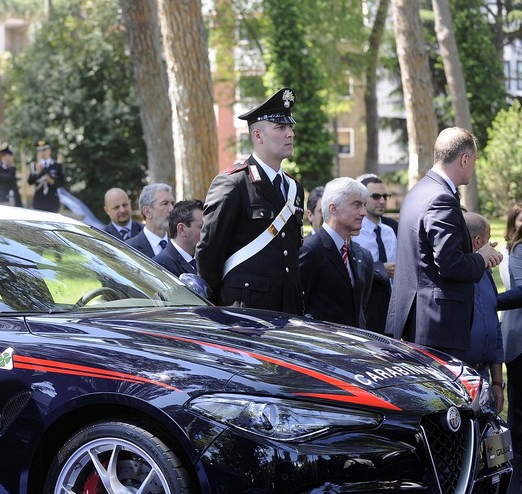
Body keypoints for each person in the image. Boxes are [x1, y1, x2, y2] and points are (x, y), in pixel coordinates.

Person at [385, 127, 502, 360]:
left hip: (418, 320)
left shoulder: (419, 190)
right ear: (464, 159)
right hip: (436, 327)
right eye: (474, 160)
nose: (474, 167)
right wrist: (481, 256)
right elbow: (450, 264)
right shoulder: (441, 198)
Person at [196, 88, 304, 314]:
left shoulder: (294, 188)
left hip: (289, 308)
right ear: (258, 135)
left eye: (290, 127)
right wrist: (219, 304)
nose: (290, 134)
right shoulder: (233, 183)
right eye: (280, 127)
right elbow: (209, 252)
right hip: (246, 310)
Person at [298, 177, 373, 328]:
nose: (364, 212)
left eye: (364, 205)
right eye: (357, 205)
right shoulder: (311, 249)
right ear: (334, 209)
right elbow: (296, 305)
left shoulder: (351, 251)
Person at [496, 202, 522, 494]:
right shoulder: (517, 250)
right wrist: (489, 301)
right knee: (518, 415)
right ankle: (515, 490)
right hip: (518, 336)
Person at [351, 173, 399, 334]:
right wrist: (379, 268)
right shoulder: (354, 231)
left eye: (385, 196)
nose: (383, 201)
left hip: (391, 306)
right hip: (367, 306)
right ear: (363, 200)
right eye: (376, 196)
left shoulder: (390, 231)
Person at [462, 212, 504, 393]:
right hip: (460, 378)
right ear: (478, 241)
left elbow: (493, 325)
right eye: (489, 241)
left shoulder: (486, 273)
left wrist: (497, 382)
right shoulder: (449, 276)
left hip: (484, 376)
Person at [155, 199, 203, 277]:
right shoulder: (161, 266)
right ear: (182, 229)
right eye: (201, 227)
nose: (207, 232)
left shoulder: (203, 259)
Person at [126, 183, 175, 258]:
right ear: (147, 211)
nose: (172, 209)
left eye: (172, 203)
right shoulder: (129, 249)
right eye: (165, 203)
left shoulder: (178, 247)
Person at [27, 140, 64, 212]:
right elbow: (30, 181)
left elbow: (61, 182)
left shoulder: (56, 165)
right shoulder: (34, 165)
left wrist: (51, 181)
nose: (42, 152)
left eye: (44, 150)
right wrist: (37, 172)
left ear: (49, 150)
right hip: (39, 201)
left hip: (52, 201)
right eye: (40, 150)